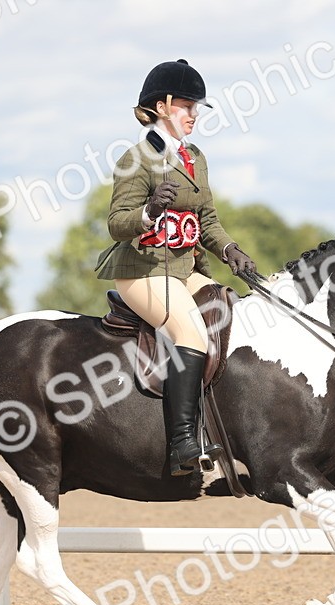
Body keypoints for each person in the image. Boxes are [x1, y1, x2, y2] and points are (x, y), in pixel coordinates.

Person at [97, 59, 259, 477]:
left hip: (185, 268)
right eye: (187, 106)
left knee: (233, 316)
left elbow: (207, 220)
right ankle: (183, 442)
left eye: (195, 107)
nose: (194, 115)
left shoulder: (195, 158)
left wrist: (230, 250)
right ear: (163, 106)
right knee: (189, 332)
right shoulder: (135, 159)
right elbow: (117, 224)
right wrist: (150, 211)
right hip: (143, 270)